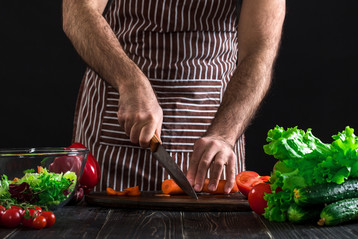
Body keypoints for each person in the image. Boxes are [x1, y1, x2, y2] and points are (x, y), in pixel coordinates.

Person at [62, 0, 285, 193]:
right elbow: (77, 10)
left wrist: (225, 133)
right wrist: (129, 82)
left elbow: (259, 51)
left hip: (212, 122)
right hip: (117, 115)